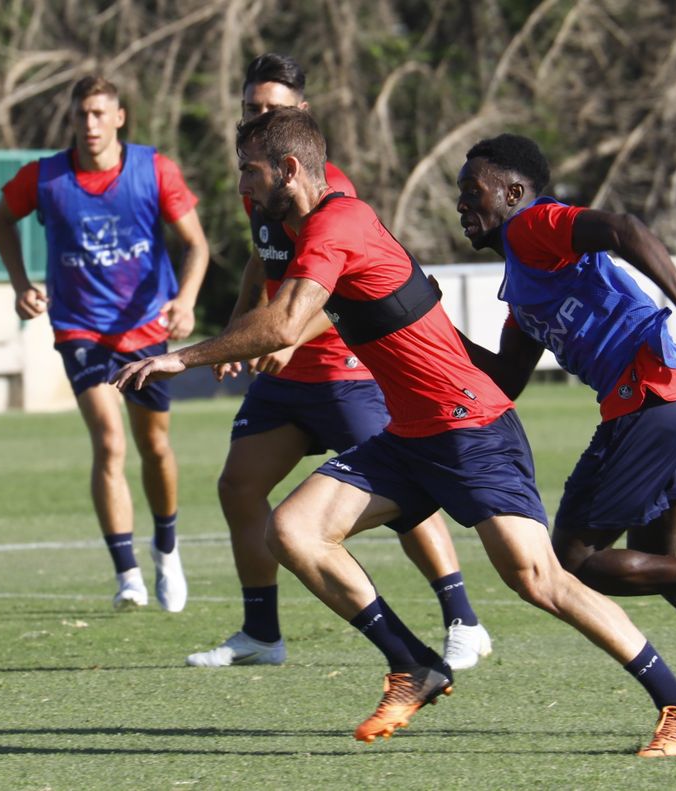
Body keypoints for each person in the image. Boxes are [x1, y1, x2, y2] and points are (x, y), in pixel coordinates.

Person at [114, 107, 676, 757]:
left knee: (540, 578)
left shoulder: (336, 223)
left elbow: (285, 324)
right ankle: (414, 664)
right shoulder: (308, 222)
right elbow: (279, 304)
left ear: (290, 169)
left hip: (471, 425)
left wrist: (182, 355)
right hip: (411, 434)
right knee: (292, 530)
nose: (244, 183)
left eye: (251, 170)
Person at [451, 132, 676, 735]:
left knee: (574, 560)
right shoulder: (522, 285)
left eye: (472, 191)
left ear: (513, 192)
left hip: (650, 400)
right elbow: (505, 380)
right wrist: (432, 323)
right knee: (658, 562)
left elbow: (624, 229)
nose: (462, 205)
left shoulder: (533, 225)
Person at [186, 54, 491, 671]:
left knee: (404, 494)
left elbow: (341, 286)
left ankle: (464, 620)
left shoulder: (330, 191)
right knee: (239, 486)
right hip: (284, 375)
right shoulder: (260, 184)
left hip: (342, 371)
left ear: (301, 114)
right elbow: (262, 258)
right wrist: (239, 322)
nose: (258, 115)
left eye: (271, 108)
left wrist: (288, 335)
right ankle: (262, 634)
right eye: (250, 107)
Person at [0, 75, 209, 613]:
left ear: (119, 117)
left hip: (146, 332)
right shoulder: (45, 178)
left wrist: (185, 300)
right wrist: (21, 285)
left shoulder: (154, 170)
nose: (89, 124)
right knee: (109, 441)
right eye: (81, 114)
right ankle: (127, 574)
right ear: (73, 119)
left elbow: (197, 244)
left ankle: (165, 548)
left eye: (99, 113)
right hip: (80, 329)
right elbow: (1, 219)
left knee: (153, 445)